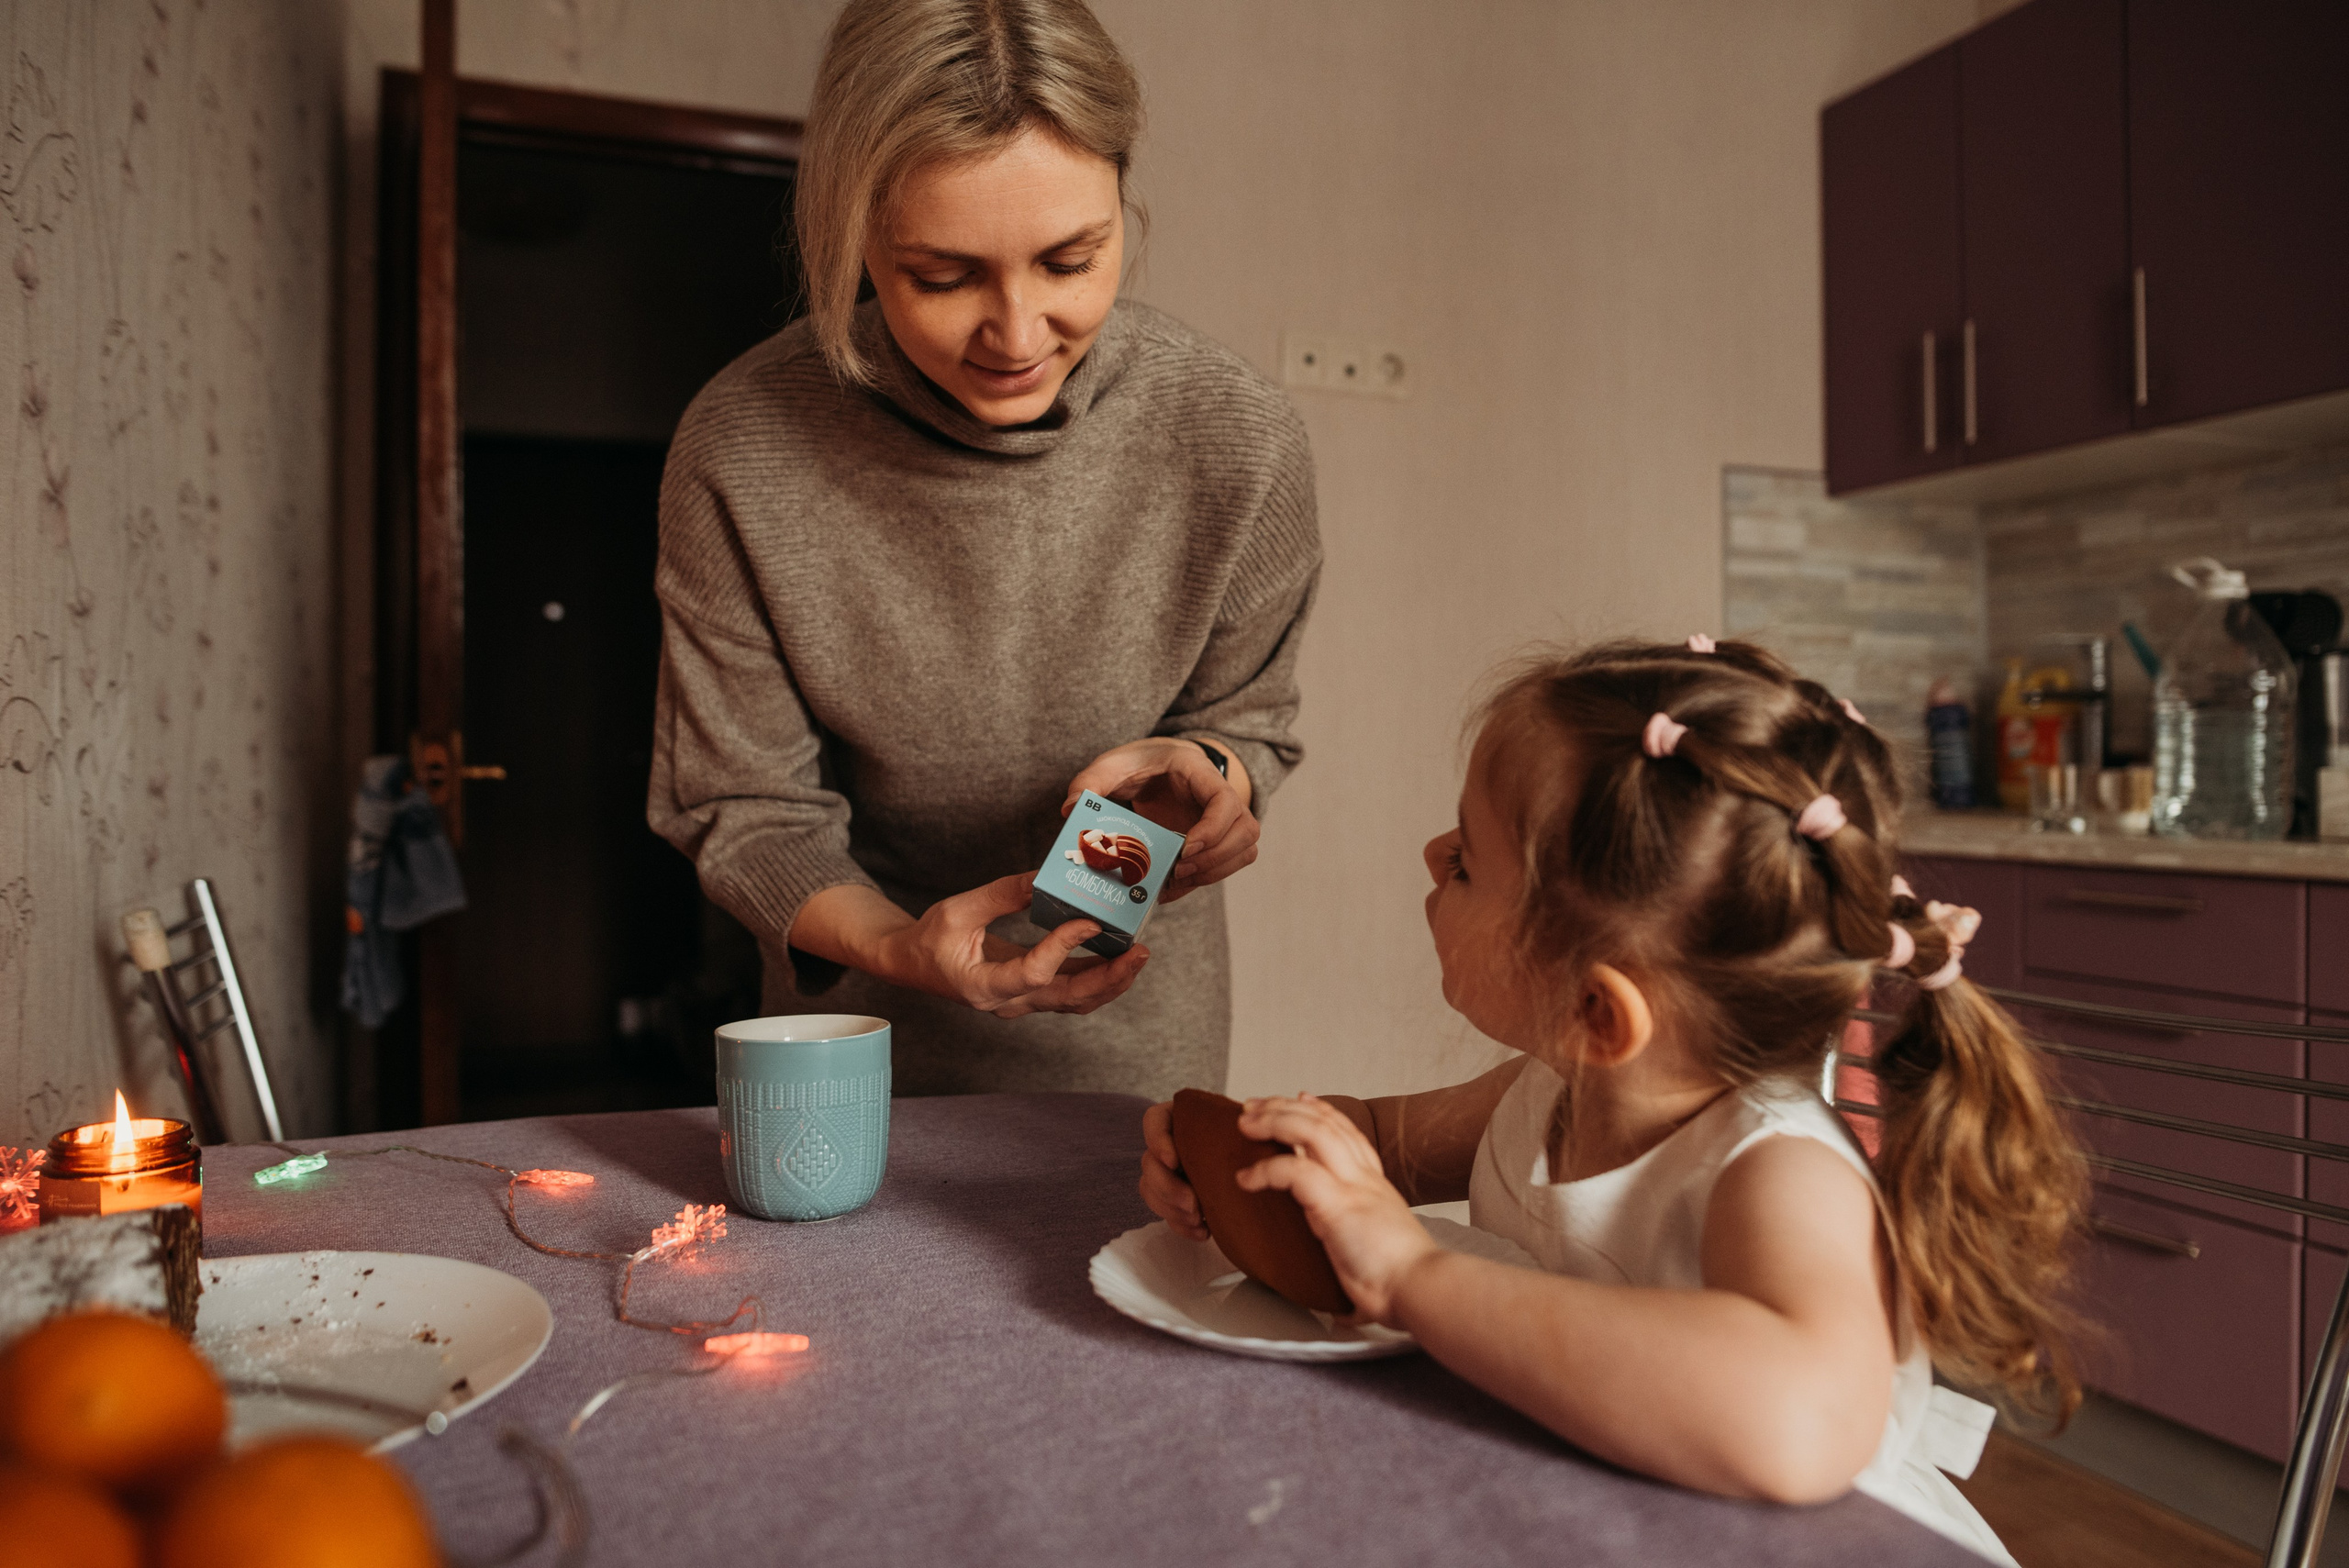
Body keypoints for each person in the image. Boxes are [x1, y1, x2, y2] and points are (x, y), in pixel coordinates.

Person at [1140, 638, 2085, 1562]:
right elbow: (1378, 1140)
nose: (1431, 854)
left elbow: (1796, 1419)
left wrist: (1414, 1278)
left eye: (1467, 858)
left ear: (1596, 1010)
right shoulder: (1548, 1088)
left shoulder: (1778, 1168)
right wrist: (1254, 1153)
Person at [649, 0, 1319, 1099]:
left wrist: (1213, 780)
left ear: (1122, 201)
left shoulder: (1234, 436)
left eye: (1069, 260)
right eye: (943, 276)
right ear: (855, 232)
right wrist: (905, 948)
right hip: (845, 1044)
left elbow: (1243, 722)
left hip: (1129, 1043)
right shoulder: (745, 443)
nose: (1015, 336)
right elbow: (746, 805)